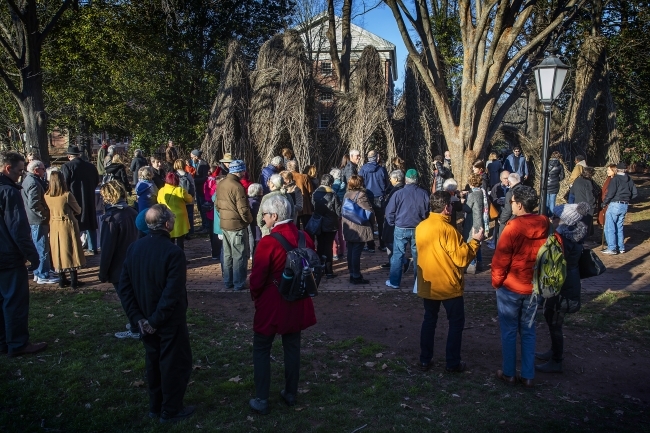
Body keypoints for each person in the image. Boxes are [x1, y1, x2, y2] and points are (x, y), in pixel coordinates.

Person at [117, 205, 194, 423]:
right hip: (166, 320)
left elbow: (125, 288)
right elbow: (172, 293)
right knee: (174, 363)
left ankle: (156, 406)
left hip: (147, 317)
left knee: (154, 362)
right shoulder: (173, 252)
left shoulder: (135, 248)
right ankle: (170, 409)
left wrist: (138, 319)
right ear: (168, 224)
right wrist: (148, 320)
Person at [248, 195, 317, 415]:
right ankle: (290, 393)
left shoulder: (267, 242)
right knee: (292, 347)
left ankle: (261, 398)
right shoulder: (304, 236)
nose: (264, 219)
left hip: (272, 302)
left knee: (261, 348)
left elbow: (257, 280)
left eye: (265, 215)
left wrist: (256, 298)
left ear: (274, 216)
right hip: (298, 299)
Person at [416, 191, 485, 372]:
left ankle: (425, 359)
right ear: (446, 208)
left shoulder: (421, 227)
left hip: (429, 283)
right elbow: (462, 259)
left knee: (429, 320)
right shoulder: (449, 231)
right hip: (448, 284)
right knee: (455, 323)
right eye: (451, 205)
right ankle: (452, 362)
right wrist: (476, 242)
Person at [492, 186, 551, 388]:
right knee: (528, 330)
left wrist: (497, 282)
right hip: (534, 286)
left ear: (518, 204)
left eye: (512, 202)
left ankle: (509, 372)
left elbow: (501, 260)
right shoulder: (544, 224)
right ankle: (528, 374)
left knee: (509, 330)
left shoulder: (513, 228)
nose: (511, 205)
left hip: (512, 285)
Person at [0, 151, 47, 357]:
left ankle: (4, 342)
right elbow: (18, 228)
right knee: (14, 302)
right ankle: (18, 343)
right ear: (7, 168)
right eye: (19, 171)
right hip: (9, 256)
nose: (21, 176)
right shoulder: (9, 192)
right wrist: (33, 255)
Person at [536, 203, 588, 373]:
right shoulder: (575, 236)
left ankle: (557, 360)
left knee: (555, 321)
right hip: (568, 282)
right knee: (552, 318)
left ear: (564, 221)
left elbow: (553, 264)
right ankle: (553, 351)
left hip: (562, 285)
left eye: (556, 217)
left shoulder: (563, 240)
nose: (552, 220)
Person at [98, 181, 140, 339]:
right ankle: (138, 322)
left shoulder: (111, 218)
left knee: (127, 298)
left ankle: (136, 328)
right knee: (135, 295)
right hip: (135, 262)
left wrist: (103, 272)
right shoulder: (132, 212)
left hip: (119, 266)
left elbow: (107, 249)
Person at [384, 169, 430, 289]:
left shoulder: (399, 194)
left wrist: (392, 223)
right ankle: (418, 283)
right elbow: (427, 212)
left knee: (398, 255)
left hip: (401, 226)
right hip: (418, 228)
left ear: (406, 180)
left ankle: (394, 281)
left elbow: (389, 211)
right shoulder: (424, 193)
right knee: (418, 256)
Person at [44, 171, 87, 289]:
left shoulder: (46, 196)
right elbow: (78, 210)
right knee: (71, 250)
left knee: (57, 250)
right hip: (67, 224)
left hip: (54, 224)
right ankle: (74, 281)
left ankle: (62, 279)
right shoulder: (66, 195)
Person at [216, 160, 253, 291]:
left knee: (227, 254)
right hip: (237, 225)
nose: (244, 172)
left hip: (225, 224)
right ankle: (239, 282)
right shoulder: (237, 187)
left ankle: (228, 281)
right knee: (239, 255)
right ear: (240, 171)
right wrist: (249, 220)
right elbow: (243, 209)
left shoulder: (221, 184)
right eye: (243, 170)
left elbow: (217, 205)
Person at [22, 160, 57, 284]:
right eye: (43, 169)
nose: (44, 171)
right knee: (42, 247)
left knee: (40, 246)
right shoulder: (33, 183)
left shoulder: (29, 180)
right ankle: (43, 274)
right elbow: (34, 203)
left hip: (34, 219)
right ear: (36, 170)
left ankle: (40, 271)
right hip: (37, 220)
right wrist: (44, 215)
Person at [60, 145, 100, 254]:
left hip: (73, 198)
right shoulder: (91, 166)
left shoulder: (66, 167)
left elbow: (64, 184)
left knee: (75, 223)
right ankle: (93, 247)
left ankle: (76, 247)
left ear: (69, 156)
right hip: (89, 197)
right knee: (91, 223)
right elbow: (97, 181)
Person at [342, 175, 375, 284]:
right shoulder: (361, 195)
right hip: (359, 227)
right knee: (356, 252)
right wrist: (372, 222)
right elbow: (369, 211)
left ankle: (352, 273)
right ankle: (356, 276)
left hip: (348, 226)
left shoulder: (346, 194)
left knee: (351, 250)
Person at [602, 162, 638, 255]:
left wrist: (605, 202)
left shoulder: (615, 179)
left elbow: (610, 193)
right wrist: (626, 199)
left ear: (617, 169)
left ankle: (612, 248)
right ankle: (621, 247)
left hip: (615, 203)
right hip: (624, 205)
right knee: (619, 227)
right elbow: (635, 193)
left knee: (610, 226)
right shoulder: (629, 179)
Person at [358, 150, 389, 252]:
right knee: (381, 223)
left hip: (367, 198)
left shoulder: (363, 169)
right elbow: (387, 183)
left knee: (368, 222)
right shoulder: (382, 169)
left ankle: (370, 246)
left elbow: (359, 183)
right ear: (377, 157)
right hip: (379, 198)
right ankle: (383, 244)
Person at [312, 173, 342, 278]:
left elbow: (313, 207)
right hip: (330, 224)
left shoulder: (315, 193)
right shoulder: (333, 194)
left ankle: (319, 270)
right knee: (328, 246)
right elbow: (338, 211)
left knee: (320, 245)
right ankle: (329, 271)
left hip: (318, 223)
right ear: (330, 183)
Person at [157, 172, 193, 250]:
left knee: (170, 239)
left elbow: (159, 201)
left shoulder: (161, 191)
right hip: (180, 218)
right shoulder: (179, 190)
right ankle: (181, 258)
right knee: (180, 240)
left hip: (167, 217)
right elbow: (190, 199)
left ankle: (171, 257)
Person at [462, 173, 488, 274]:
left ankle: (471, 265)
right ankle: (480, 263)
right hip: (480, 221)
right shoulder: (481, 192)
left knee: (471, 243)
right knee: (478, 243)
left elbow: (467, 209)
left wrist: (463, 202)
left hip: (472, 221)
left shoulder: (472, 195)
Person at [380, 169, 405, 269]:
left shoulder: (397, 190)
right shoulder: (398, 188)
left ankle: (402, 261)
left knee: (388, 240)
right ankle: (392, 261)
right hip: (396, 218)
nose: (390, 180)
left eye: (391, 178)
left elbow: (391, 206)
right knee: (389, 240)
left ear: (397, 179)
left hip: (393, 219)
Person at [569, 167, 598, 236]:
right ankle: (585, 237)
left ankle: (583, 235)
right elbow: (589, 197)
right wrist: (594, 203)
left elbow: (572, 192)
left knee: (579, 222)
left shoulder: (577, 180)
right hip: (586, 206)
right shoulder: (588, 183)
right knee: (586, 223)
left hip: (577, 204)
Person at [287, 160, 314, 230]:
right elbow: (310, 191)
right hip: (305, 205)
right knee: (307, 228)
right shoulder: (304, 177)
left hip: (292, 205)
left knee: (295, 228)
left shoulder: (286, 178)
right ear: (297, 167)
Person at [497, 173, 524, 240]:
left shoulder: (510, 193)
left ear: (509, 182)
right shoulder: (525, 190)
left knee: (502, 239)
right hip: (524, 219)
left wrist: (501, 220)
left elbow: (508, 210)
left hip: (512, 220)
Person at [189, 150, 210, 233]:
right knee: (200, 208)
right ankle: (203, 225)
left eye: (192, 157)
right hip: (198, 189)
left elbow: (205, 177)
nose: (191, 159)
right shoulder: (196, 164)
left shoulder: (204, 165)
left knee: (204, 208)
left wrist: (194, 180)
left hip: (202, 189)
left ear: (196, 156)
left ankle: (207, 227)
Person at [174, 159, 196, 236]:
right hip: (189, 198)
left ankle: (181, 231)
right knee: (189, 216)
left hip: (179, 199)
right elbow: (193, 186)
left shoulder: (175, 175)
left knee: (180, 216)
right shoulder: (188, 175)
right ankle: (190, 232)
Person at [488, 170, 510, 247]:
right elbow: (491, 199)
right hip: (499, 212)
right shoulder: (496, 187)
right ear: (500, 178)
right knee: (498, 228)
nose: (507, 180)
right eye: (505, 178)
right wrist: (497, 201)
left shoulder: (512, 187)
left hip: (510, 212)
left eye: (508, 178)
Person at [330, 168, 345, 260]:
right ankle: (342, 251)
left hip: (335, 211)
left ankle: (335, 252)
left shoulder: (334, 185)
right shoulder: (343, 184)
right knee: (341, 233)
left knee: (334, 233)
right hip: (342, 210)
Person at [598, 163, 617, 228]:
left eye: (609, 170)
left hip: (610, 203)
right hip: (604, 202)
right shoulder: (608, 179)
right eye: (607, 170)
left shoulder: (615, 180)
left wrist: (606, 201)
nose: (607, 172)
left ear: (613, 170)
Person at [247, 183, 263, 258]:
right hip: (256, 224)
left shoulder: (249, 200)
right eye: (261, 189)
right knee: (255, 238)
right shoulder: (255, 202)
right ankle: (253, 253)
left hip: (251, 223)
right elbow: (257, 215)